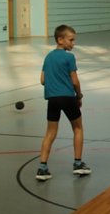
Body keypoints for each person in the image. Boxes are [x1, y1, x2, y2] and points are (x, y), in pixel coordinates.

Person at [36, 24, 87, 180]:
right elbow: (75, 81)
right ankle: (78, 164)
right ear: (60, 39)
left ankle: (42, 168)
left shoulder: (48, 57)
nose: (73, 43)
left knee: (50, 133)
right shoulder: (69, 57)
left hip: (52, 99)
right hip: (67, 98)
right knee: (78, 128)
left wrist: (54, 82)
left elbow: (43, 80)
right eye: (71, 40)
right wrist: (78, 96)